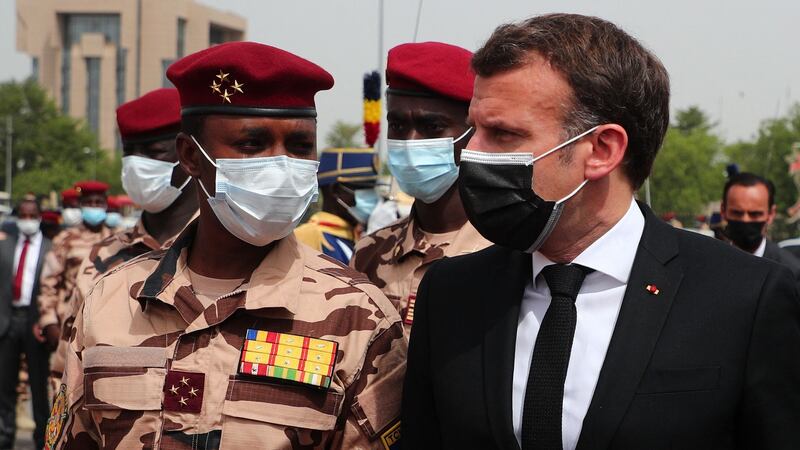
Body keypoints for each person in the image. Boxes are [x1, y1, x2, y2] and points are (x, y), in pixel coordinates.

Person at [402, 14, 800, 450]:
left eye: (503, 134)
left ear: (603, 150)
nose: (470, 153)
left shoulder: (746, 298)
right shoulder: (452, 292)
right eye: (474, 129)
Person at [46, 41, 405, 449]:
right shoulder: (110, 301)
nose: (281, 165)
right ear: (190, 156)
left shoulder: (358, 317)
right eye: (252, 144)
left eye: (300, 147)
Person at [49, 87, 200, 388]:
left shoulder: (222, 250)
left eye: (153, 153)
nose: (136, 165)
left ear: (189, 154)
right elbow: (66, 370)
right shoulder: (102, 257)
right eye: (130, 152)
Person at [351, 42, 491, 332]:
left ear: (472, 131)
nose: (411, 141)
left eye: (432, 127)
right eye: (399, 125)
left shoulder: (505, 253)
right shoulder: (368, 254)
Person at [36, 180, 112, 385]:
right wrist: (49, 322)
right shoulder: (65, 239)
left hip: (107, 327)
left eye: (98, 203)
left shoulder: (118, 240)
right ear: (81, 205)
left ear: (105, 205)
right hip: (68, 324)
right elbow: (48, 283)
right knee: (64, 385)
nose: (94, 207)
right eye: (89, 203)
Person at [0, 199, 52, 450]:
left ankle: (41, 439)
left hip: (36, 325)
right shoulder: (5, 246)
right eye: (23, 215)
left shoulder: (51, 248)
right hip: (7, 322)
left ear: (40, 217)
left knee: (38, 385)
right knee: (5, 385)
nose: (28, 219)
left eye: (32, 215)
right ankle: (5, 437)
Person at [295, 147, 379, 264]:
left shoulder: (352, 237)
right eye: (363, 189)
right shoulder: (308, 237)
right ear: (335, 191)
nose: (372, 197)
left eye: (372, 190)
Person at [721, 172, 800, 276]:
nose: (745, 220)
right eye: (737, 213)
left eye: (755, 214)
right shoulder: (708, 263)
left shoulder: (790, 271)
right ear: (723, 211)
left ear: (771, 214)